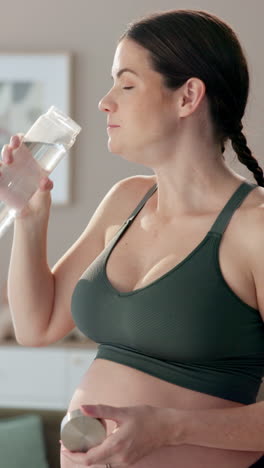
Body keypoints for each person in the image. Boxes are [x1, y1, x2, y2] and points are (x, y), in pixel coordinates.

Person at [4, 8, 264, 468]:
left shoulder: (255, 227)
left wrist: (169, 428)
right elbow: (36, 326)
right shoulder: (127, 200)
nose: (105, 102)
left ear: (187, 97)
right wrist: (29, 216)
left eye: (126, 84)